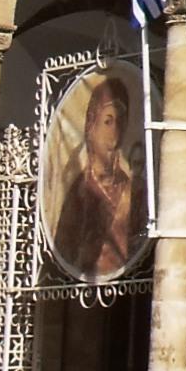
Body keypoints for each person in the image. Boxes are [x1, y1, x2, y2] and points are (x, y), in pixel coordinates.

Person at [49, 73, 142, 282]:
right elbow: (64, 251)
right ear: (91, 127)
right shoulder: (78, 191)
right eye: (108, 122)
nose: (115, 133)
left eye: (121, 122)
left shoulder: (135, 190)